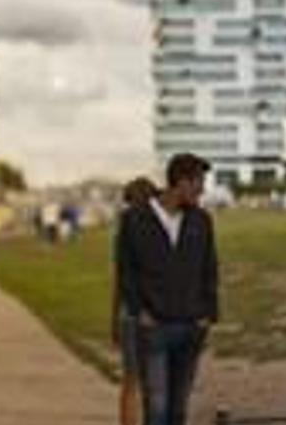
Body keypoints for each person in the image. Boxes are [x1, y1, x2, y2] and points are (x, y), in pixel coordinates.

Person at [116, 154, 219, 425]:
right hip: (154, 329)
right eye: (199, 183)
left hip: (191, 326)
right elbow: (126, 271)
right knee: (157, 407)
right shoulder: (134, 219)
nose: (202, 190)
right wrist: (140, 312)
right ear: (181, 183)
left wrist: (208, 313)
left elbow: (209, 269)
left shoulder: (202, 220)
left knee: (178, 409)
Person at [111, 177, 159, 425]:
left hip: (128, 313)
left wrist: (113, 321)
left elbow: (119, 280)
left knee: (131, 382)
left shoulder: (123, 230)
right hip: (152, 314)